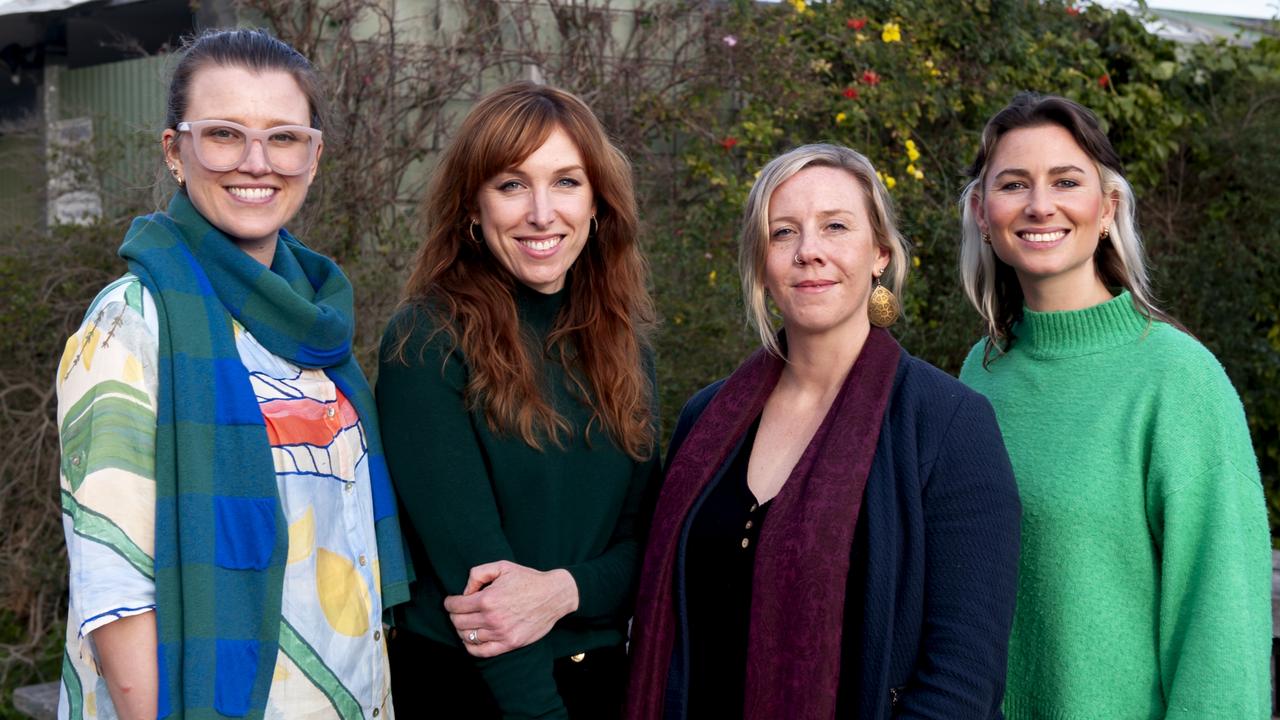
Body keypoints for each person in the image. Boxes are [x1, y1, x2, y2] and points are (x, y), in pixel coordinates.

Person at [54, 28, 410, 720]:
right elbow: (116, 583)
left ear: (313, 156)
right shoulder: (132, 324)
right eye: (223, 134)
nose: (257, 163)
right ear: (174, 151)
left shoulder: (314, 321)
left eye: (283, 137)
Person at [627, 143, 1022, 720]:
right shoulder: (706, 418)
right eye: (783, 232)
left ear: (879, 253)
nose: (809, 252)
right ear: (761, 262)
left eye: (835, 226)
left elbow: (961, 681)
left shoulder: (947, 425)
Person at [957, 92, 1271, 719]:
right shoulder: (978, 374)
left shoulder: (1179, 379)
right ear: (982, 215)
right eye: (1014, 184)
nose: (1040, 205)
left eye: (1066, 181)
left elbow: (1221, 624)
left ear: (1107, 208)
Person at [376, 81, 659, 719]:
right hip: (475, 691)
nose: (540, 212)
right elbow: (480, 591)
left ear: (598, 204)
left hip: (607, 683)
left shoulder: (622, 345)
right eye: (510, 184)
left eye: (566, 182)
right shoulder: (426, 339)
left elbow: (645, 542)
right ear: (471, 207)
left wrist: (563, 590)